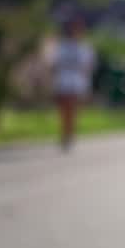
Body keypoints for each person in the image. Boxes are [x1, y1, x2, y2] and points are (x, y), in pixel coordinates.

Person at [47, 15, 97, 151]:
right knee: (63, 111)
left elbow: (88, 67)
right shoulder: (61, 46)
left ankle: (69, 134)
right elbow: (53, 64)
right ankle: (65, 133)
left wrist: (86, 86)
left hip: (76, 84)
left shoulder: (85, 47)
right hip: (62, 82)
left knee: (73, 110)